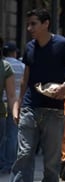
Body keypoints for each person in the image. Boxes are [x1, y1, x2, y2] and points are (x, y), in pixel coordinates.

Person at [2, 8, 65, 182]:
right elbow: (26, 80)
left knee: (51, 164)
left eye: (33, 24)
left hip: (54, 111)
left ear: (46, 24)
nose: (29, 29)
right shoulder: (30, 47)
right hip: (30, 107)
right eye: (28, 24)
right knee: (24, 154)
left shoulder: (63, 45)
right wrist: (17, 105)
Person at [0, 40, 22, 174]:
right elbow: (12, 95)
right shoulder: (14, 66)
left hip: (3, 111)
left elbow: (11, 94)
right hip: (8, 107)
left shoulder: (6, 67)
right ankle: (7, 163)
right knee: (11, 136)